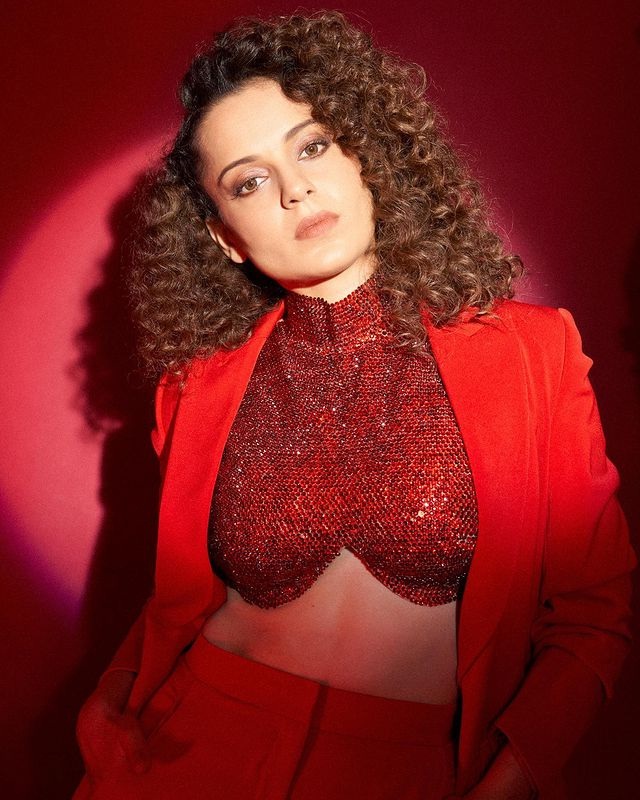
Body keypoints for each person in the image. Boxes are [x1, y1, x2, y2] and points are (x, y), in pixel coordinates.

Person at [74, 10, 635, 800]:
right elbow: (175, 597)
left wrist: (508, 783)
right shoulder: (194, 385)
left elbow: (592, 613)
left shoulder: (535, 351)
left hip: (412, 766)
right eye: (248, 181)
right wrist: (111, 698)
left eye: (312, 146)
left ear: (366, 150)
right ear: (226, 236)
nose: (294, 188)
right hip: (187, 749)